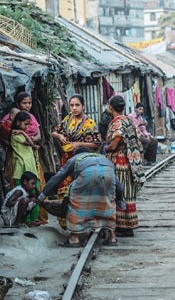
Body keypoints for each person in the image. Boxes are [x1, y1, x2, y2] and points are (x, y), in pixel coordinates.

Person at [37, 147, 123, 247]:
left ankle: (74, 238)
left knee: (76, 201)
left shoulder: (75, 158)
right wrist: (120, 200)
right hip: (108, 173)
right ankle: (112, 237)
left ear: (76, 153)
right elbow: (118, 185)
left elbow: (58, 177)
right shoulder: (103, 158)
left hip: (86, 174)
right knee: (107, 200)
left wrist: (42, 195)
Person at [51, 94, 102, 229]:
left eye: (77, 105)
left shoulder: (89, 123)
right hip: (66, 160)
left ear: (83, 106)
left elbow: (97, 144)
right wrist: (60, 136)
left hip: (82, 162)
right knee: (65, 189)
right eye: (72, 105)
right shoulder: (67, 120)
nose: (74, 108)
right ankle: (67, 222)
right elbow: (54, 132)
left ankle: (84, 222)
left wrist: (78, 144)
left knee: (82, 191)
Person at [1, 91, 48, 224]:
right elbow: (0, 132)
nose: (27, 105)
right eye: (24, 103)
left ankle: (34, 218)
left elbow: (37, 136)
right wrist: (22, 137)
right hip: (20, 161)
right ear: (17, 104)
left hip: (31, 160)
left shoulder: (30, 118)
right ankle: (22, 219)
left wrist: (33, 141)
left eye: (29, 103)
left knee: (34, 190)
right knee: (22, 191)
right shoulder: (11, 124)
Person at [104, 95, 145, 237]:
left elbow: (115, 145)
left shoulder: (117, 123)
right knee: (128, 192)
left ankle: (124, 227)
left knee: (121, 192)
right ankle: (128, 224)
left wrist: (104, 148)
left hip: (120, 161)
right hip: (131, 162)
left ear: (110, 108)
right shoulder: (128, 120)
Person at [10, 111, 42, 226]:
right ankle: (25, 220)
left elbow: (32, 143)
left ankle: (33, 218)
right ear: (18, 123)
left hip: (31, 168)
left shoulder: (20, 133)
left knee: (35, 195)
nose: (27, 127)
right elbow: (30, 142)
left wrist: (23, 132)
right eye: (26, 124)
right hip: (22, 169)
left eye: (29, 124)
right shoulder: (15, 135)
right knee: (24, 197)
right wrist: (23, 134)